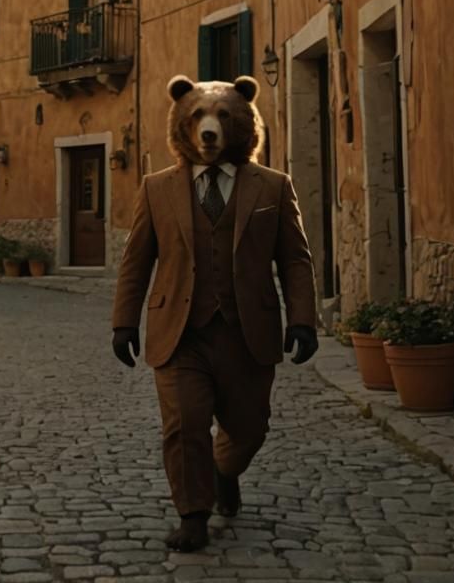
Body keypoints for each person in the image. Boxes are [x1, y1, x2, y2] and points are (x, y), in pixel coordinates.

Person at [112, 75, 318, 552]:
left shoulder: (273, 187)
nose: (209, 128)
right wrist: (124, 321)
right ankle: (193, 515)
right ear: (183, 125)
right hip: (180, 333)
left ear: (242, 121)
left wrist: (303, 319)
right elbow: (136, 259)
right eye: (199, 119)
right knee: (185, 424)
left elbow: (294, 258)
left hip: (247, 333)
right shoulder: (157, 189)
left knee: (249, 428)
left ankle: (226, 472)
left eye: (222, 118)